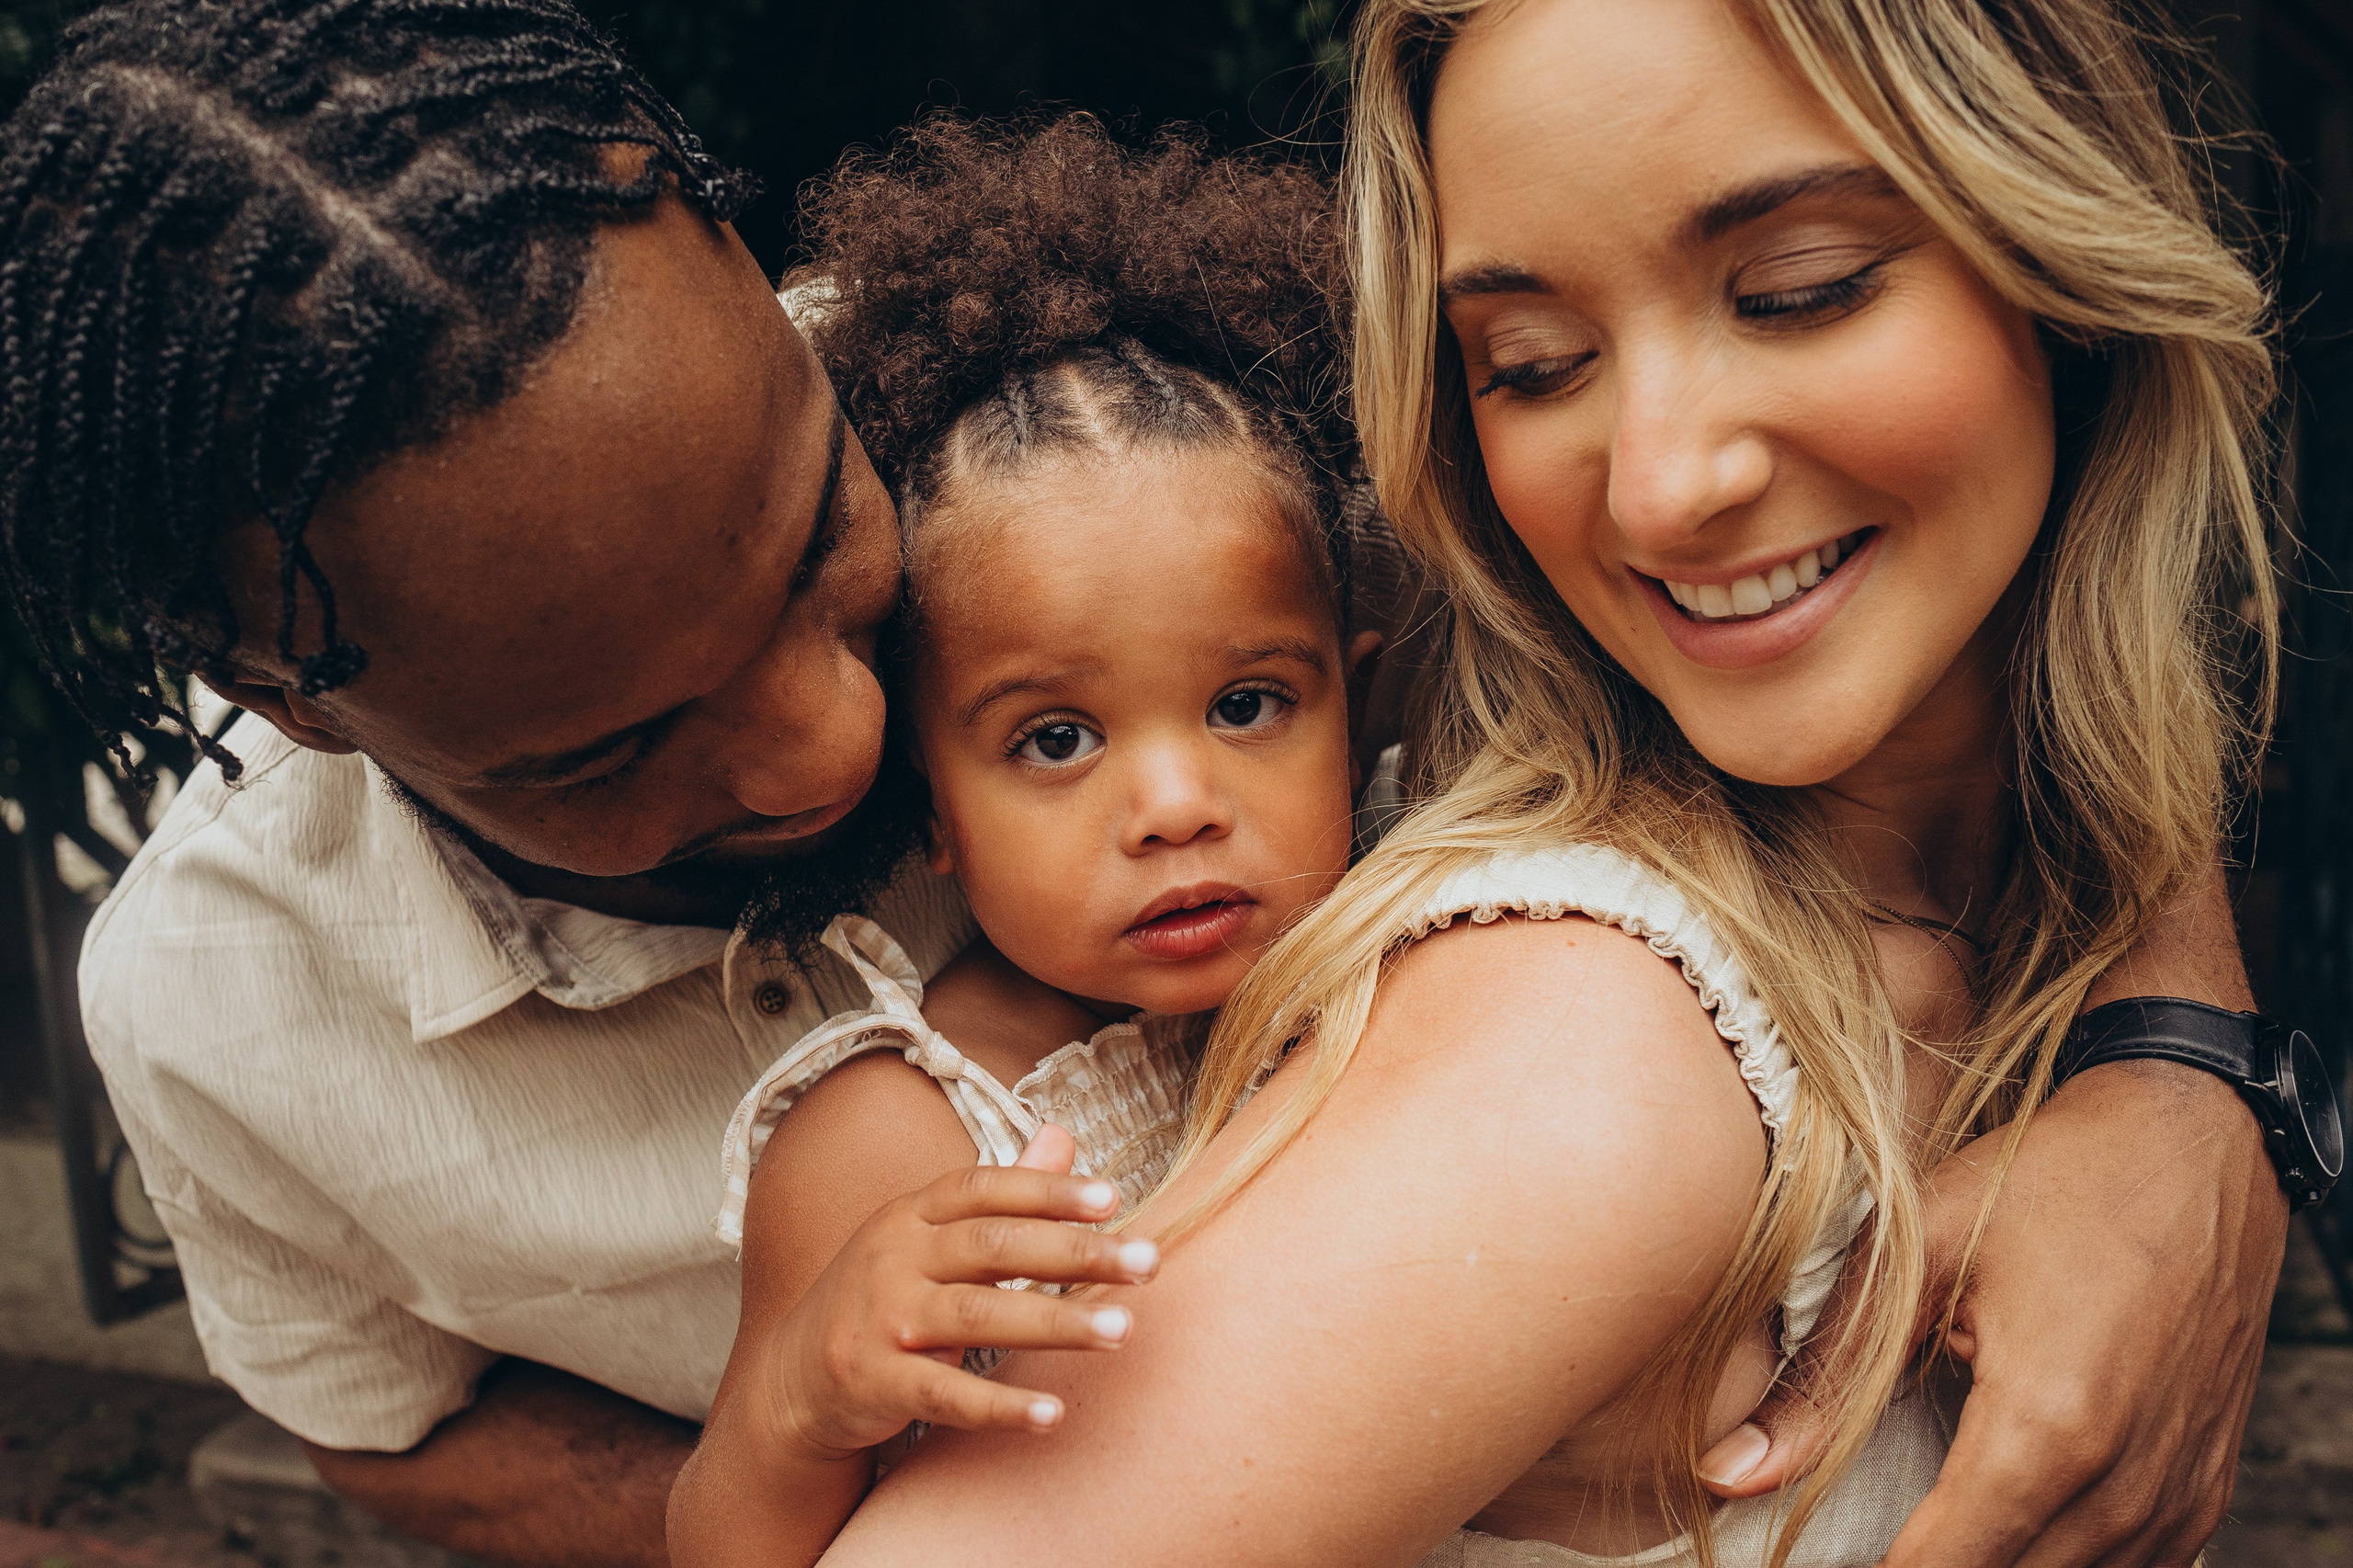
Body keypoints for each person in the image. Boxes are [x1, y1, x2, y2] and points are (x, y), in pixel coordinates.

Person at [0, 0, 2273, 1562]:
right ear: (288, 697)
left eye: (818, 552)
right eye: (608, 744)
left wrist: (2179, 1078)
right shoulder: (226, 1008)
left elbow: (1931, 607)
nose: (830, 735)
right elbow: (390, 1434)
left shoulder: (1082, 437)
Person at [747, 2, 2291, 1565]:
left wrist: (2183, 1056)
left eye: (1795, 292)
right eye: (1535, 367)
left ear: (2060, 255)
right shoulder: (1594, 1045)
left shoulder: (2035, 887)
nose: (1663, 484)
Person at [666, 123, 1387, 1568]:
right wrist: (807, 1396)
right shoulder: (906, 1131)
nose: (1176, 803)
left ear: (1356, 706)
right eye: (1055, 738)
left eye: (1248, 703)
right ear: (930, 804)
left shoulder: (1412, 953)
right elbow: (720, 1549)